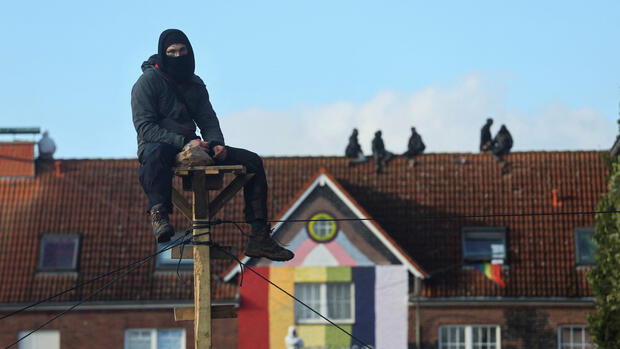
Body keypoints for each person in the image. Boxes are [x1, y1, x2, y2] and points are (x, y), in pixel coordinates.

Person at [131, 29, 293, 261]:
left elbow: (207, 119)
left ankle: (259, 236)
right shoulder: (147, 83)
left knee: (252, 161)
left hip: (196, 145)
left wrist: (217, 143)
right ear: (163, 54)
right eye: (172, 52)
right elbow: (145, 128)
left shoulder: (195, 83)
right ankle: (160, 215)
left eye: (182, 51)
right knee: (155, 155)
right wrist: (185, 142)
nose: (178, 56)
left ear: (190, 52)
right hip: (160, 144)